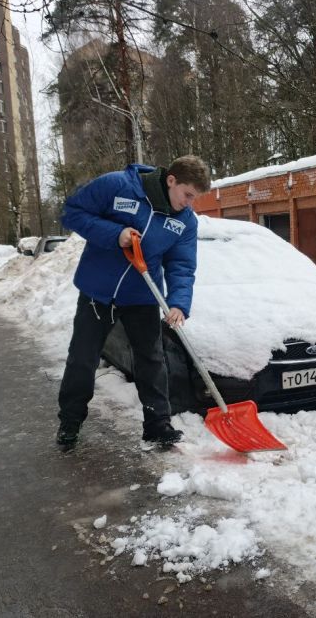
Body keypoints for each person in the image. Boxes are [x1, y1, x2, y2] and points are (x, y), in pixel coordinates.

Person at [56, 155, 211, 449]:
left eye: (195, 198)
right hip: (97, 292)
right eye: (187, 194)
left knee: (152, 361)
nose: (189, 203)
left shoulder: (185, 222)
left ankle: (157, 425)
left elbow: (181, 265)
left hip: (142, 295)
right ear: (171, 181)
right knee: (82, 359)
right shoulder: (118, 186)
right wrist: (116, 234)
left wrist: (178, 302)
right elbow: (72, 212)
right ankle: (70, 422)